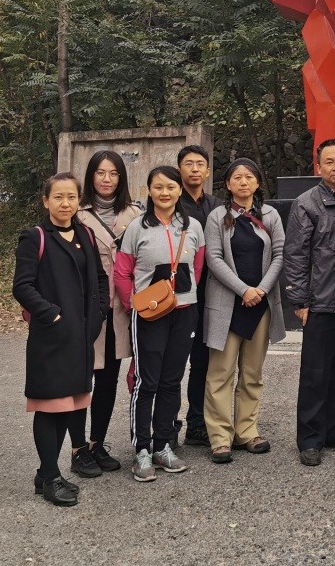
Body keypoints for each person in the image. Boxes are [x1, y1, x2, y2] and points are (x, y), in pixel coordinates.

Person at [12, 173, 108, 507]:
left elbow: (100, 277)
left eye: (71, 197)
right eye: (58, 197)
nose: (65, 203)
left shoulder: (86, 234)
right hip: (51, 338)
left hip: (81, 337)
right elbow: (22, 286)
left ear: (79, 200)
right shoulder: (35, 237)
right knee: (49, 407)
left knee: (70, 406)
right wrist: (52, 315)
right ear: (46, 201)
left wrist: (99, 313)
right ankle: (51, 477)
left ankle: (46, 474)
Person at [112, 166, 203, 481]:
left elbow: (198, 266)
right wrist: (134, 305)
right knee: (146, 382)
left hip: (185, 311)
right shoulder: (137, 227)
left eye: (171, 187)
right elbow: (122, 273)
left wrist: (183, 297)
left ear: (180, 191)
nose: (165, 193)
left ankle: (163, 445)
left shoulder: (193, 227)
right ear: (149, 191)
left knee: (171, 380)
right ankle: (141, 449)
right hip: (149, 315)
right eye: (158, 187)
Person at [202, 158, 286, 464]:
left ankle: (247, 431)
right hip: (227, 305)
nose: (243, 182)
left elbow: (280, 254)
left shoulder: (270, 215)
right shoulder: (217, 217)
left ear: (258, 182)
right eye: (237, 177)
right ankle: (220, 437)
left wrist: (260, 290)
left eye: (249, 177)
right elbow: (213, 258)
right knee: (220, 373)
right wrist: (243, 290)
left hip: (260, 305)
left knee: (252, 373)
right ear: (227, 184)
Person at [69, 150, 141, 478]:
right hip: (86, 308)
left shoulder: (135, 214)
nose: (107, 179)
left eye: (113, 173)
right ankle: (78, 448)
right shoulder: (77, 213)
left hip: (120, 309)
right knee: (81, 379)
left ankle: (97, 443)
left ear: (121, 177)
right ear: (91, 176)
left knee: (108, 378)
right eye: (100, 173)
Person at [285, 139, 335, 466]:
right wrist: (300, 299)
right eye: (329, 161)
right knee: (315, 372)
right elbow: (296, 254)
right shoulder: (306, 203)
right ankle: (310, 438)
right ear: (319, 167)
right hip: (320, 301)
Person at [175, 145, 225, 449]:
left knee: (203, 364)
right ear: (179, 169)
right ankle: (167, 426)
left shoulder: (217, 206)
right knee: (172, 363)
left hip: (212, 296)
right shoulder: (170, 202)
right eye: (188, 164)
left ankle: (197, 424)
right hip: (179, 296)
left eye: (200, 164)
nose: (194, 169)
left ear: (207, 171)